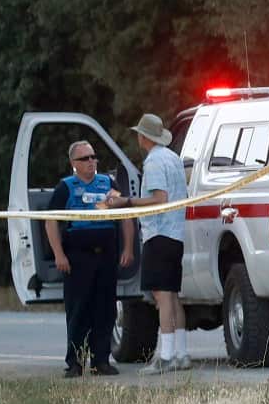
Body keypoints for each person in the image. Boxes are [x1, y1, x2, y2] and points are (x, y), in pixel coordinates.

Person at [103, 113, 191, 374]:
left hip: (159, 234)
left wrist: (125, 202)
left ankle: (164, 357)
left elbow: (159, 198)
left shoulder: (153, 163)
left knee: (161, 296)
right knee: (172, 296)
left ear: (143, 137)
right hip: (175, 234)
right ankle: (181, 353)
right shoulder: (173, 158)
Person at [45, 141, 134, 377]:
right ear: (74, 163)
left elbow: (124, 215)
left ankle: (100, 361)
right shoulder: (66, 187)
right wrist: (59, 254)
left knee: (105, 309)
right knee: (78, 309)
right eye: (85, 158)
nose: (91, 162)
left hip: (106, 255)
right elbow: (50, 221)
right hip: (77, 257)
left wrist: (128, 247)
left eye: (93, 157)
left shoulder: (107, 183)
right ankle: (75, 362)